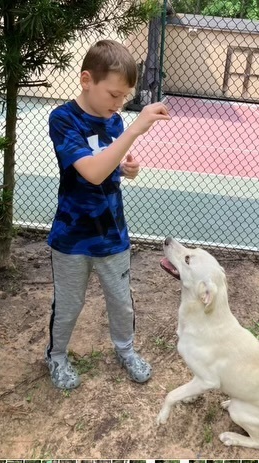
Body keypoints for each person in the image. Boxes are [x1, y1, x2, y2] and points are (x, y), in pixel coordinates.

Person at [45, 39, 170, 390]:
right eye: (114, 95)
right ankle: (55, 357)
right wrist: (133, 130)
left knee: (121, 301)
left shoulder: (114, 122)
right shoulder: (63, 119)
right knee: (68, 304)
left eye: (124, 98)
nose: (118, 105)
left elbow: (109, 170)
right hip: (71, 237)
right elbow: (93, 173)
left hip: (113, 234)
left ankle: (126, 350)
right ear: (87, 80)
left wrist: (127, 170)